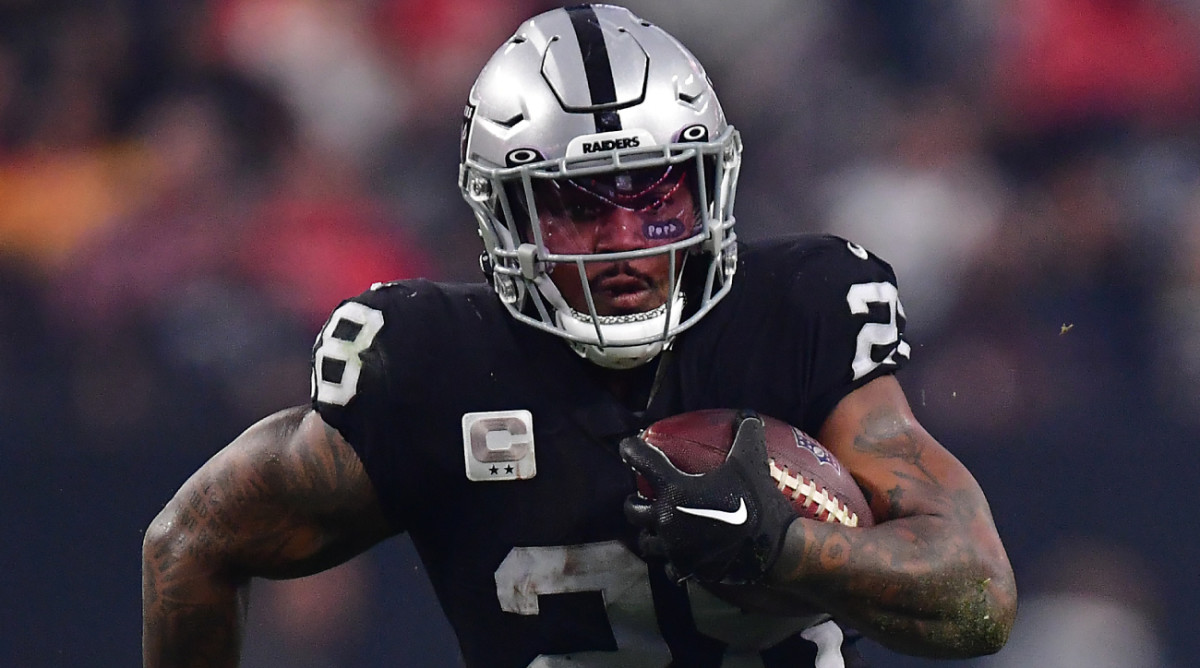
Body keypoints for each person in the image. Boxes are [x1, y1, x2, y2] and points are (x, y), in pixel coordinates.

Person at [142, 5, 1016, 667]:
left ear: (710, 187)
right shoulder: (429, 364)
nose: (625, 242)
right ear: (502, 214)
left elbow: (978, 599)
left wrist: (793, 548)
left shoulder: (798, 312)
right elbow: (189, 544)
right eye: (575, 205)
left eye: (656, 195)